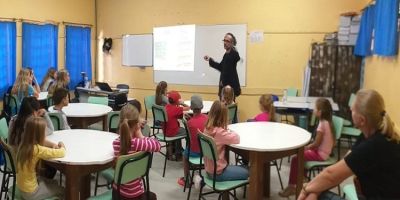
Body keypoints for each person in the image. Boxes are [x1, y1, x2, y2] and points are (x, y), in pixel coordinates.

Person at [298, 89, 400, 200]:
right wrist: (314, 190)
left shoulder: (373, 145)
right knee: (315, 193)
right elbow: (338, 171)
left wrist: (305, 189)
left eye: (353, 109)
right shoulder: (370, 135)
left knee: (313, 193)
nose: (350, 109)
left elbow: (331, 175)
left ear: (361, 120)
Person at [279, 98, 335, 197]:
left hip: (320, 154)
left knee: (296, 158)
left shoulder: (322, 124)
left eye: (315, 108)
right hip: (325, 153)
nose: (313, 110)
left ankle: (292, 186)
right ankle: (303, 180)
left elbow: (316, 144)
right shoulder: (328, 122)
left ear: (320, 112)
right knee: (302, 156)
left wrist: (307, 147)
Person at [112, 104, 161, 200]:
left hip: (117, 193)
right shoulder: (138, 143)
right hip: (135, 193)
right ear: (136, 125)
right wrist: (141, 135)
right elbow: (157, 145)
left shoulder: (115, 143)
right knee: (152, 196)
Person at [16, 116, 65, 200]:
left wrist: (53, 145)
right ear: (39, 135)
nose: (45, 135)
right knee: (63, 190)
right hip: (31, 193)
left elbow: (43, 141)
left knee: (54, 182)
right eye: (44, 132)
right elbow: (62, 152)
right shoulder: (37, 150)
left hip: (22, 187)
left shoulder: (24, 144)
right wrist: (61, 144)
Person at [203, 100, 248, 181]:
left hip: (209, 169)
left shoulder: (207, 128)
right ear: (223, 117)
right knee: (250, 171)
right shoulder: (220, 132)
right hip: (218, 173)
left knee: (244, 168)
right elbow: (236, 138)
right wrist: (230, 131)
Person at [178, 95, 208, 186]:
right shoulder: (207, 118)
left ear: (191, 107)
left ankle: (186, 179)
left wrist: (189, 121)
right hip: (207, 151)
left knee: (184, 155)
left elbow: (191, 138)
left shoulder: (190, 123)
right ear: (202, 107)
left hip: (196, 151)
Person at [204, 33, 241, 99]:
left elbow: (228, 69)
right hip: (224, 89)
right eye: (224, 40)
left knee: (228, 108)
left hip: (229, 89)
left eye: (227, 41)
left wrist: (223, 82)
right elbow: (221, 67)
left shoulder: (233, 54)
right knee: (223, 108)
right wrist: (210, 60)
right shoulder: (226, 55)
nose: (225, 43)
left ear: (232, 43)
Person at [164, 90, 190, 160]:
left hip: (165, 131)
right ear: (177, 101)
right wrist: (182, 103)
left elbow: (175, 115)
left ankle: (171, 154)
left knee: (179, 129)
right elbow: (189, 108)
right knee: (188, 133)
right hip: (172, 132)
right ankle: (186, 153)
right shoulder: (176, 109)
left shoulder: (166, 107)